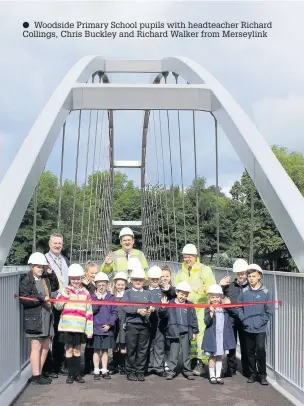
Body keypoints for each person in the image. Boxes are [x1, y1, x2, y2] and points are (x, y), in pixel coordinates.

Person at [175, 243, 216, 375]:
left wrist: (204, 288)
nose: (187, 259)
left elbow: (212, 285)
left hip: (200, 308)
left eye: (189, 257)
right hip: (187, 309)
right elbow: (176, 287)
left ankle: (200, 361)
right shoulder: (181, 272)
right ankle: (191, 360)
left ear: (195, 257)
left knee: (200, 335)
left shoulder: (204, 269)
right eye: (185, 257)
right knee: (190, 335)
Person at [19, 252, 59, 385]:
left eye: (42, 267)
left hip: (47, 315)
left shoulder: (45, 278)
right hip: (35, 317)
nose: (40, 269)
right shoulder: (26, 280)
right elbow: (24, 300)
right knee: (36, 346)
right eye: (38, 267)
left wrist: (51, 272)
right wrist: (41, 299)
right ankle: (36, 375)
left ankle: (38, 372)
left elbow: (56, 286)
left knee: (46, 345)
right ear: (31, 267)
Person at [54, 264, 93, 384]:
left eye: (78, 278)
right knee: (69, 350)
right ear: (70, 279)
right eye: (73, 278)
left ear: (81, 278)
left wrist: (89, 330)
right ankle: (70, 374)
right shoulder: (64, 290)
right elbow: (57, 306)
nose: (76, 281)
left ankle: (77, 374)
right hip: (67, 326)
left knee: (77, 351)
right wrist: (64, 295)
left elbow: (89, 312)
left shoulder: (86, 293)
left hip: (80, 327)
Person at [237, 264, 273, 385]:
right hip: (247, 327)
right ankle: (253, 374)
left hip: (260, 329)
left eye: (253, 276)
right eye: (249, 276)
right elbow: (239, 307)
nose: (251, 278)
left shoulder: (266, 292)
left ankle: (263, 375)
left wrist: (260, 322)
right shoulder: (244, 292)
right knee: (250, 351)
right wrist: (244, 320)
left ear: (259, 277)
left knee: (261, 350)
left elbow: (269, 311)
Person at [219, 258, 250, 377]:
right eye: (239, 273)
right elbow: (217, 296)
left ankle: (247, 370)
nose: (241, 276)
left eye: (243, 273)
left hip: (244, 319)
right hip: (231, 319)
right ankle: (230, 369)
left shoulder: (250, 287)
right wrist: (221, 286)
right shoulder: (230, 286)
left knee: (246, 345)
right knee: (231, 345)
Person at [122, 265, 153, 381]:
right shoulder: (128, 293)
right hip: (132, 324)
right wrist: (137, 310)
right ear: (131, 280)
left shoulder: (148, 293)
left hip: (144, 325)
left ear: (144, 281)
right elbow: (125, 307)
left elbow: (150, 305)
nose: (138, 281)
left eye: (140, 279)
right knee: (131, 348)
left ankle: (140, 371)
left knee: (142, 349)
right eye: (135, 279)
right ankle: (130, 371)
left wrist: (150, 309)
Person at [45, 233, 70, 376]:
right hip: (51, 303)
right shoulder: (44, 259)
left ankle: (57, 365)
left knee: (61, 335)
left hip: (64, 303)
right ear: (50, 244)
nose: (57, 245)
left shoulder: (65, 260)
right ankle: (48, 367)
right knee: (48, 336)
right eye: (55, 243)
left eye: (59, 243)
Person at [163, 281, 198, 381]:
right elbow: (163, 314)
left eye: (186, 295)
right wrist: (163, 307)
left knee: (186, 353)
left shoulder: (190, 305)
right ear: (177, 292)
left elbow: (193, 318)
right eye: (182, 294)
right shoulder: (170, 303)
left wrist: (195, 331)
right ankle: (171, 371)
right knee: (173, 353)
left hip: (186, 333)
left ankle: (188, 371)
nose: (183, 297)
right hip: (174, 332)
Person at [202, 284, 236, 385]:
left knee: (220, 356)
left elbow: (235, 313)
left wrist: (230, 305)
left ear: (221, 297)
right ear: (209, 298)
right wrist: (211, 314)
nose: (215, 299)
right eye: (212, 297)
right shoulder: (208, 308)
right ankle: (212, 375)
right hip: (213, 336)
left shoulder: (224, 308)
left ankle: (218, 375)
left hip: (222, 336)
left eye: (217, 297)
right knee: (212, 356)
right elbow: (207, 322)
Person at [91, 272, 118, 380]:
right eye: (99, 285)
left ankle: (105, 369)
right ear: (96, 285)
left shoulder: (111, 298)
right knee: (96, 350)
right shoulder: (92, 297)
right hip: (96, 328)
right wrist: (97, 300)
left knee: (106, 350)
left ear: (107, 285)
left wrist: (110, 324)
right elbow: (91, 311)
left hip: (107, 328)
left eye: (103, 285)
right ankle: (96, 369)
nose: (101, 287)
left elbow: (114, 312)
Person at [146, 266, 167, 377]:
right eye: (152, 279)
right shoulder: (144, 289)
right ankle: (149, 366)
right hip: (147, 322)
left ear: (159, 279)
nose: (154, 281)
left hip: (160, 321)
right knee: (149, 344)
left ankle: (158, 367)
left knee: (159, 345)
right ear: (149, 278)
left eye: (156, 279)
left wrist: (161, 308)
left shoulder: (164, 291)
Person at [82, 261, 98, 375]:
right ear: (86, 273)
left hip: (95, 315)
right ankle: (87, 366)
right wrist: (88, 285)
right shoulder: (84, 285)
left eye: (95, 273)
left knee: (92, 343)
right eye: (91, 273)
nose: (93, 275)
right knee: (89, 342)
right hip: (86, 316)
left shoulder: (97, 284)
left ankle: (93, 365)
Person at [111, 271, 128, 375]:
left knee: (123, 342)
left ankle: (123, 365)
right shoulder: (112, 295)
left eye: (122, 284)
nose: (120, 286)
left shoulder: (127, 294)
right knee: (114, 343)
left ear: (125, 285)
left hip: (124, 320)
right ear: (115, 284)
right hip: (114, 320)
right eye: (118, 284)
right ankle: (115, 364)